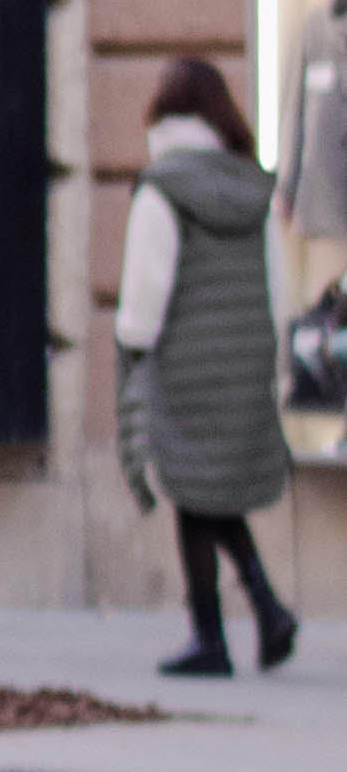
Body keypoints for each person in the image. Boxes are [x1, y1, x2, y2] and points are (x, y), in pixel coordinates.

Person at [115, 52, 300, 676]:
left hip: (184, 365)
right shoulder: (252, 185)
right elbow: (277, 284)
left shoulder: (164, 186)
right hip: (245, 360)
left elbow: (146, 288)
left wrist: (133, 349)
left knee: (193, 494)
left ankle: (213, 636)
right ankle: (262, 613)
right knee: (208, 494)